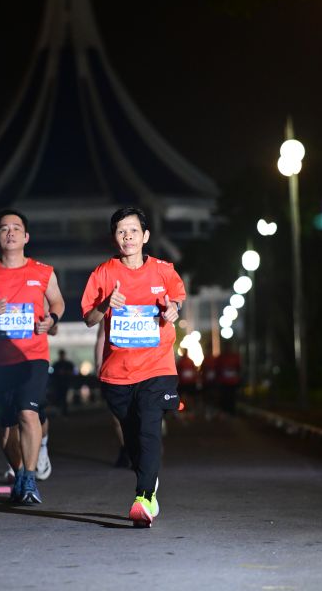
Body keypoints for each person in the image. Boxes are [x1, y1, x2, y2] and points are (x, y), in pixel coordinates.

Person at [81, 206, 186, 527]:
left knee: (149, 426)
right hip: (118, 373)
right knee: (132, 437)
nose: (128, 237)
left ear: (145, 236)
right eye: (121, 231)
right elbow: (89, 319)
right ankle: (148, 480)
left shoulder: (163, 270)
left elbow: (177, 301)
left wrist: (172, 310)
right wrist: (105, 304)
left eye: (133, 231)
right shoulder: (103, 273)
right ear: (114, 237)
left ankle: (143, 496)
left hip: (157, 367)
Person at [0, 209, 65, 505]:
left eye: (16, 228)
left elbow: (57, 302)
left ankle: (30, 478)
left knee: (27, 412)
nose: (10, 233)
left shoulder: (43, 272)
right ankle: (20, 472)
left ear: (26, 236)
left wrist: (51, 319)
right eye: (4, 228)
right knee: (5, 426)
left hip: (33, 356)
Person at [95, 319, 131, 468]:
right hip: (116, 366)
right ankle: (127, 449)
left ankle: (142, 449)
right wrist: (99, 364)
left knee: (142, 413)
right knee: (118, 417)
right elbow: (101, 336)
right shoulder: (111, 307)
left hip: (143, 366)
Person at [216, 342, 242, 415]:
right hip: (224, 382)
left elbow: (238, 368)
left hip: (233, 382)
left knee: (232, 398)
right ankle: (225, 412)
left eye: (229, 346)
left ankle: (231, 412)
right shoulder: (221, 358)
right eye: (226, 346)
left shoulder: (235, 357)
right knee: (224, 397)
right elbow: (217, 369)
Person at [52, 349, 74, 415]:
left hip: (64, 384)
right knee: (60, 398)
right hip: (60, 384)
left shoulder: (59, 364)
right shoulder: (57, 364)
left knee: (63, 398)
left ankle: (64, 412)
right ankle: (62, 412)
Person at [176, 347, 199, 414]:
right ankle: (184, 409)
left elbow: (194, 372)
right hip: (184, 383)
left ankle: (187, 409)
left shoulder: (187, 361)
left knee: (188, 396)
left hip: (188, 383)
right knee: (185, 396)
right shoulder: (183, 362)